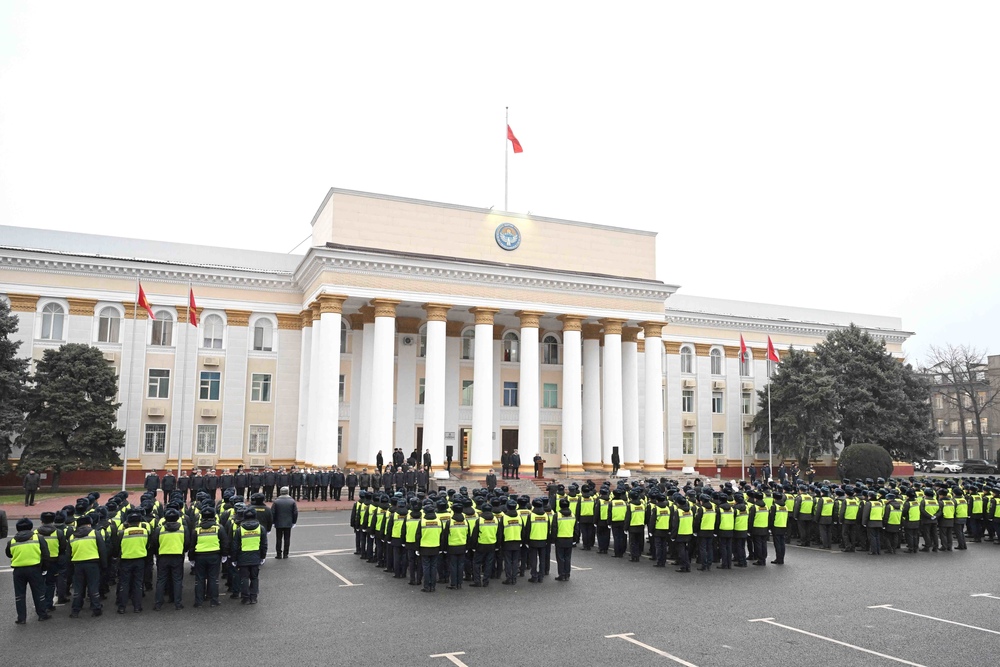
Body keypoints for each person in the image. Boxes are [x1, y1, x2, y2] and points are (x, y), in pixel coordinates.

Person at [6, 518, 51, 624]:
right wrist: (44, 568)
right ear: (30, 527)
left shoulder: (12, 541)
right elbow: (45, 554)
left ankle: (21, 618)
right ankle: (42, 614)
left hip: (18, 570)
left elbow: (9, 554)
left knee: (20, 595)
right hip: (34, 569)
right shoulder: (38, 538)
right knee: (38, 592)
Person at [68, 515, 107, 618]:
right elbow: (102, 550)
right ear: (89, 524)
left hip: (77, 564)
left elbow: (68, 554)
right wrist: (104, 565)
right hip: (92, 564)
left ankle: (75, 610)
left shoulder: (72, 536)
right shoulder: (95, 533)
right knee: (93, 587)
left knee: (78, 588)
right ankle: (96, 609)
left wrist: (69, 569)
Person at [151, 508, 188, 611]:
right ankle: (178, 603)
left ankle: (158, 604)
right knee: (177, 580)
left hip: (163, 557)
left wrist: (158, 553)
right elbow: (187, 543)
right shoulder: (183, 528)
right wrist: (182, 551)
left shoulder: (159, 529)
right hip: (177, 556)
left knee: (161, 580)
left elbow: (154, 543)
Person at [190, 507, 228, 607]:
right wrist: (224, 555)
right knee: (213, 578)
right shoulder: (218, 528)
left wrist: (191, 558)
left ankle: (198, 602)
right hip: (214, 555)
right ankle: (214, 600)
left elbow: (192, 545)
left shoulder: (197, 529)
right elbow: (224, 543)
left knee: (199, 579)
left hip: (200, 556)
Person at [115, 512, 149, 614]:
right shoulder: (145, 531)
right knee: (138, 584)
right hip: (140, 559)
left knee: (124, 584)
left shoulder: (122, 533)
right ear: (139, 522)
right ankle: (137, 607)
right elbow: (147, 545)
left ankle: (122, 607)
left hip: (126, 560)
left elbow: (117, 547)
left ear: (128, 523)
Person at [233, 509, 267, 604]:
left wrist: (234, 559)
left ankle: (246, 598)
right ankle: (254, 597)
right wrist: (263, 556)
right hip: (256, 556)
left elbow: (235, 546)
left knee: (244, 578)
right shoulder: (261, 528)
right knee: (254, 578)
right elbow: (264, 544)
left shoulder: (240, 529)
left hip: (243, 557)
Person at [271, 486, 298, 559]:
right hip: (288, 522)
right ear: (287, 492)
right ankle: (286, 554)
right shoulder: (292, 501)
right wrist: (294, 522)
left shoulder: (276, 501)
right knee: (287, 539)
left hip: (278, 522)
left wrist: (273, 522)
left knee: (278, 539)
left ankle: (278, 554)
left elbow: (272, 512)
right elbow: (295, 513)